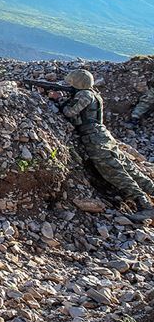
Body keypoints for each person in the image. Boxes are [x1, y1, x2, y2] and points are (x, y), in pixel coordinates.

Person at [61, 69, 154, 222]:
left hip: (95, 139)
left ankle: (145, 206)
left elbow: (69, 112)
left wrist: (59, 100)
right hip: (103, 136)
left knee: (114, 173)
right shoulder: (94, 94)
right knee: (128, 168)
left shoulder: (84, 95)